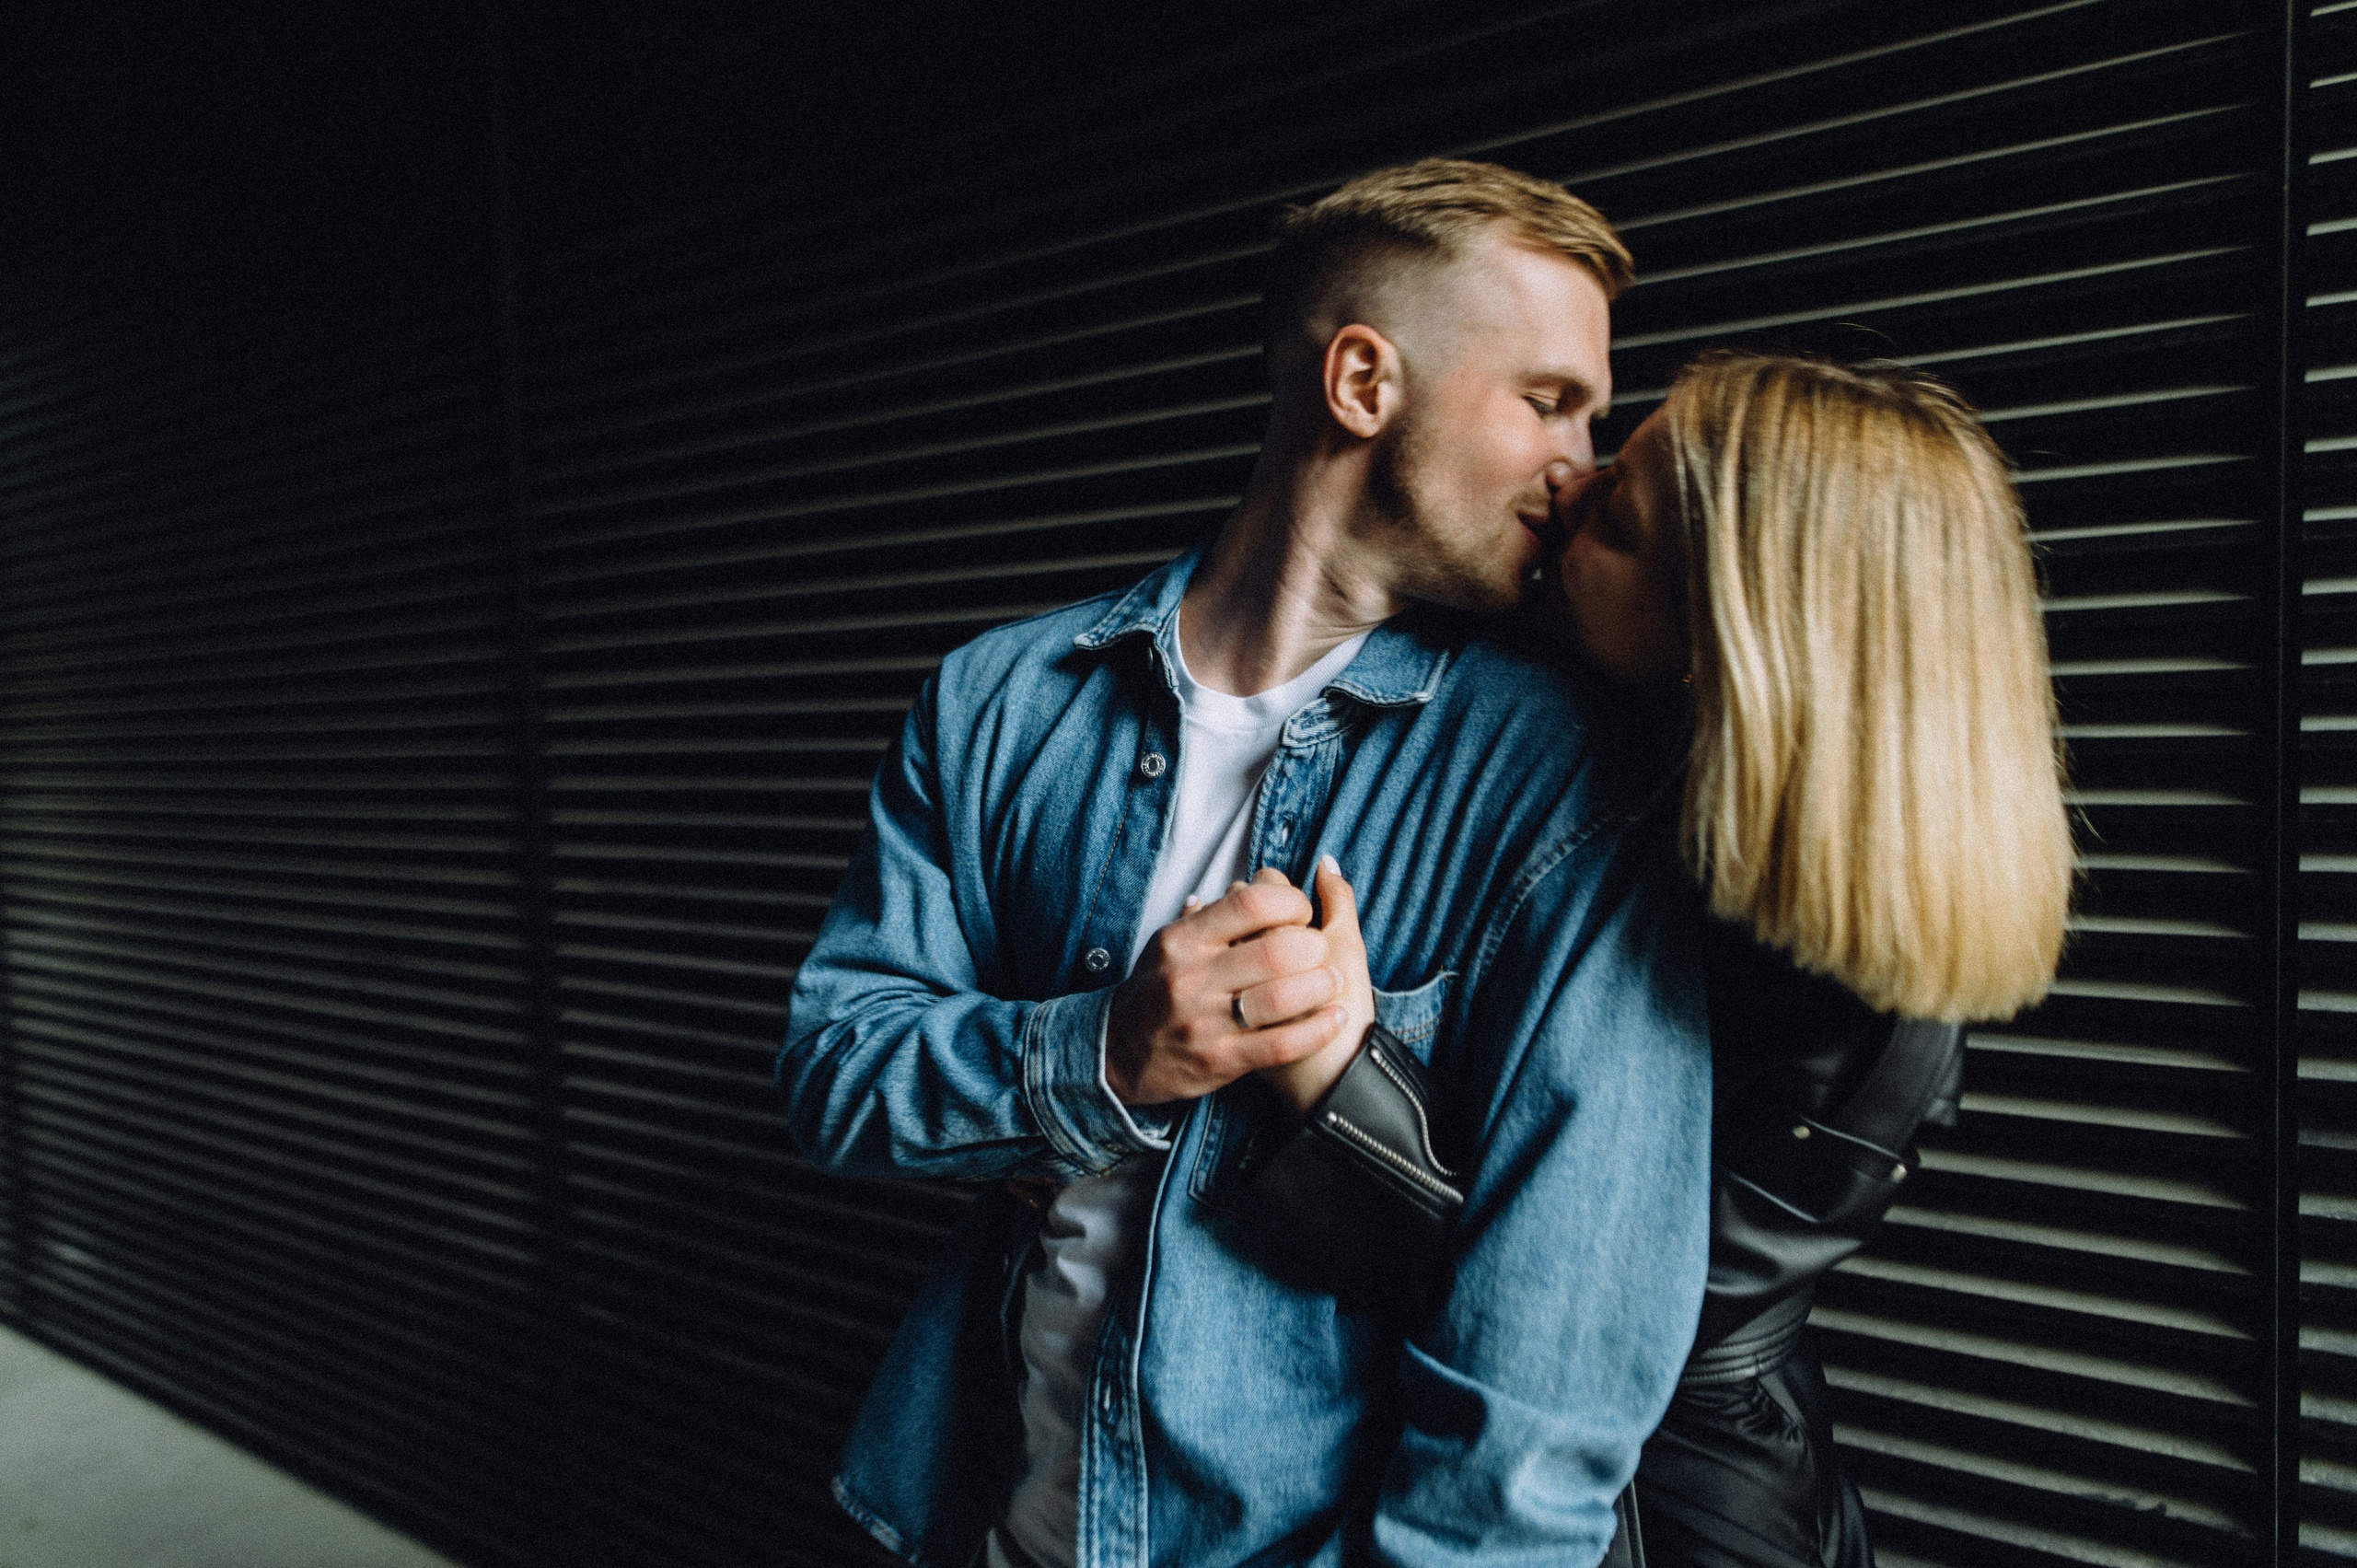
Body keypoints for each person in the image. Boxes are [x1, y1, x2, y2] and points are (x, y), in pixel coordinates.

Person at [777, 158, 1715, 1568]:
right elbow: (833, 1073)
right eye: (1547, 401)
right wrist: (1102, 1055)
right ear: (1361, 382)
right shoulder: (999, 703)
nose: (1583, 463)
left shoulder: (1563, 782)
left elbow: (1543, 1404)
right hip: (972, 1520)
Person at [1233, 351, 2074, 1568]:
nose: (1569, 485)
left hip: (1656, 1520)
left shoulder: (1777, 961)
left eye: (1615, 516)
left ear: (1724, 637)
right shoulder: (1805, 845)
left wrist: (1336, 1082)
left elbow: (1581, 1302)